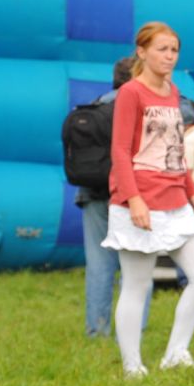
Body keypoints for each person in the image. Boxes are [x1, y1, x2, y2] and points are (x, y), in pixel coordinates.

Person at [103, 22, 194, 377]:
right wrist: (133, 199)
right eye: (162, 49)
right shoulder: (130, 93)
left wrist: (192, 191)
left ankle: (175, 353)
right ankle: (132, 366)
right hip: (138, 200)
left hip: (176, 200)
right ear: (142, 51)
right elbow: (120, 150)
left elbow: (176, 148)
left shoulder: (172, 90)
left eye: (174, 50)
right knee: (137, 284)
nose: (169, 57)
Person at [70, 57, 148, 339]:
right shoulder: (142, 102)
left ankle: (97, 328)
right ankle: (134, 327)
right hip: (132, 195)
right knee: (137, 264)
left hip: (91, 193)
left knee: (99, 264)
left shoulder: (95, 105)